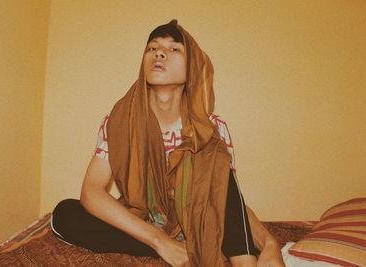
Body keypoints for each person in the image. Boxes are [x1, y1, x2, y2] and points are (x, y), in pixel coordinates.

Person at [51, 19, 284, 267]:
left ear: (192, 68)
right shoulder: (120, 121)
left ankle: (240, 261)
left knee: (212, 155)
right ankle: (180, 250)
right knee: (65, 214)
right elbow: (92, 192)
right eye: (152, 48)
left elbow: (227, 203)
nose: (159, 53)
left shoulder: (211, 127)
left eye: (174, 49)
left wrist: (269, 244)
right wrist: (160, 241)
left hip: (197, 224)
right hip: (145, 224)